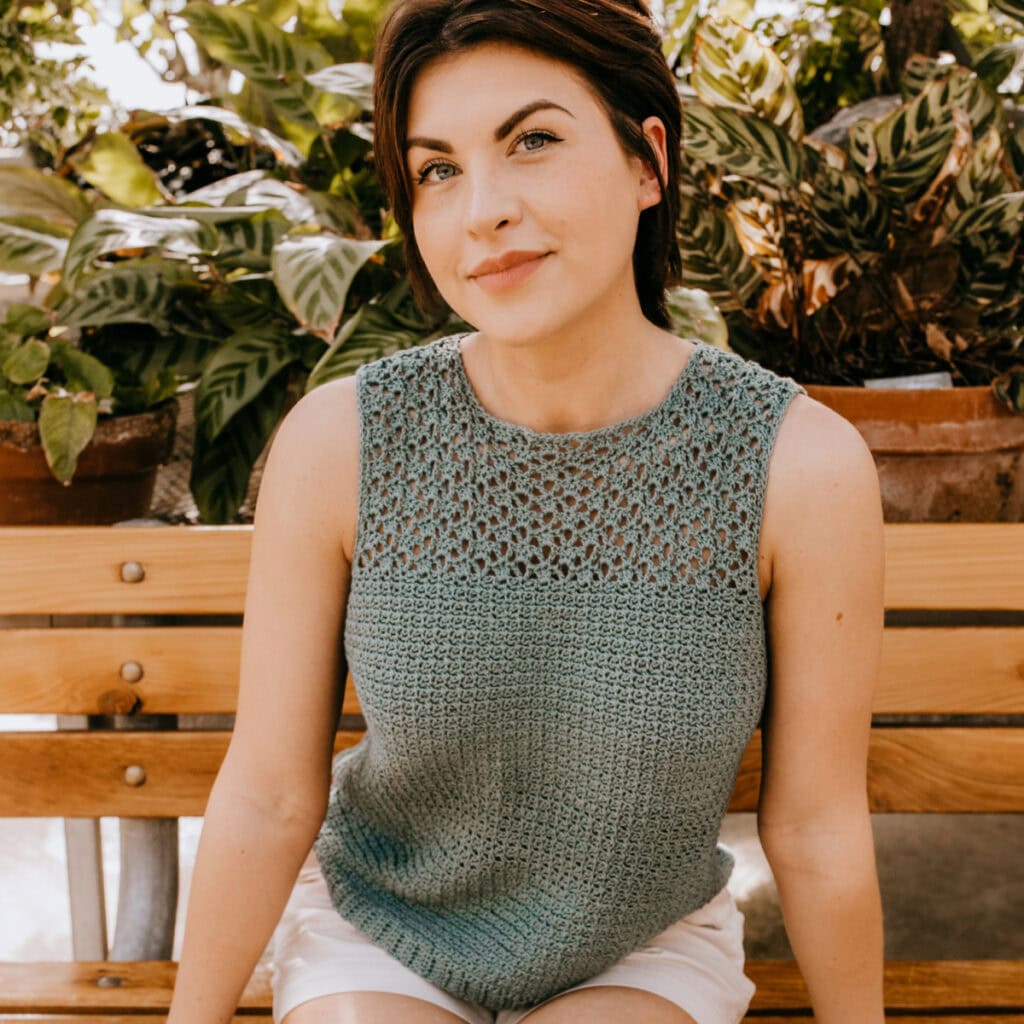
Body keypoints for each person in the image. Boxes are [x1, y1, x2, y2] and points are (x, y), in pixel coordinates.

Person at [166, 1, 887, 1022]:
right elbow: (272, 791)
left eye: (534, 141)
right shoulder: (344, 440)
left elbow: (814, 826)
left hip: (641, 945)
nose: (482, 211)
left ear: (648, 162)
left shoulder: (797, 466)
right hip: (380, 928)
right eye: (437, 169)